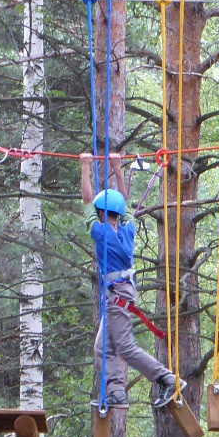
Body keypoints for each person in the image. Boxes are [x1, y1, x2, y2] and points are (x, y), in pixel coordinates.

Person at [81, 151, 186, 409]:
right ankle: (116, 391)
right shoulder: (128, 228)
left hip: (117, 294)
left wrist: (85, 167)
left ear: (100, 213)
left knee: (125, 347)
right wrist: (117, 168)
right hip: (120, 292)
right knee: (102, 347)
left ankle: (167, 378)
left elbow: (87, 200)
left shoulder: (100, 232)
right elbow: (124, 202)